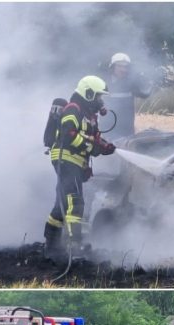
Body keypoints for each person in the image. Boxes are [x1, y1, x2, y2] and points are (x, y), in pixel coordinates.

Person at [44, 76, 117, 260]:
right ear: (88, 93)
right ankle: (74, 246)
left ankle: (51, 244)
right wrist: (94, 147)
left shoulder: (89, 115)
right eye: (98, 96)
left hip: (74, 160)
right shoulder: (73, 109)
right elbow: (70, 136)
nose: (101, 100)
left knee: (61, 204)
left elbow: (91, 138)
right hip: (66, 158)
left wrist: (105, 146)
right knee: (75, 202)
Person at [102, 53, 153, 141]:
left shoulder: (132, 83)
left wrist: (144, 80)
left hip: (126, 129)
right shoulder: (103, 82)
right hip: (107, 128)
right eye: (120, 66)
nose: (123, 70)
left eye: (126, 67)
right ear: (112, 67)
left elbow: (145, 94)